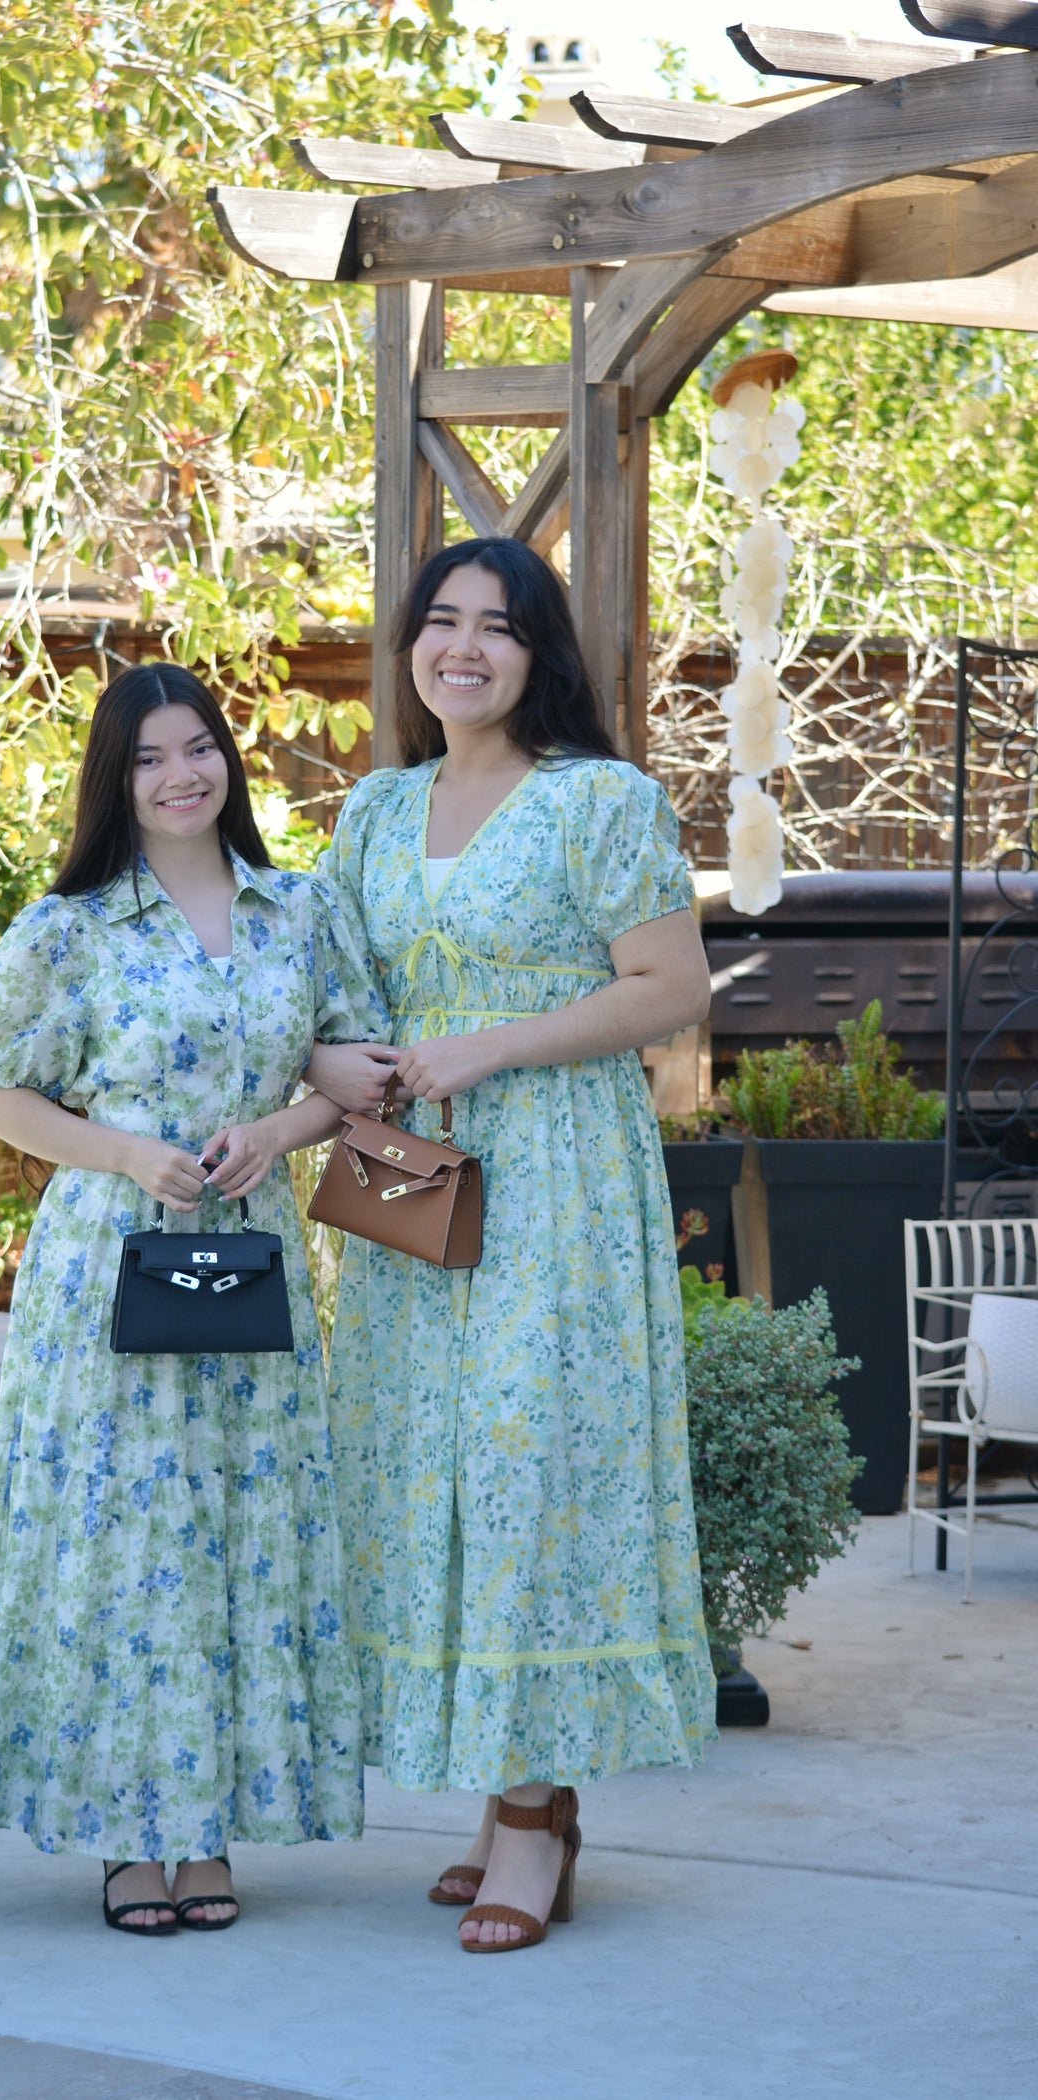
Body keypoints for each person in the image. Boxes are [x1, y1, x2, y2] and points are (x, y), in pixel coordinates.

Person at [306, 537, 717, 1953]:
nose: (463, 648)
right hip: (411, 1180)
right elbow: (331, 989)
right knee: (429, 1474)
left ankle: (538, 1813)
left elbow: (669, 987)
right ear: (411, 648)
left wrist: (491, 1046)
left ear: (540, 656)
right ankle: (499, 1795)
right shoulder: (373, 807)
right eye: (441, 623)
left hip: (557, 1181)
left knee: (534, 1469)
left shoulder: (602, 801)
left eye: (498, 627)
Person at [0, 661, 387, 1937]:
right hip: (110, 1255)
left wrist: (275, 1130)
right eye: (148, 758)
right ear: (114, 781)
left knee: (240, 1532)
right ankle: (129, 1833)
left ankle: (210, 1829)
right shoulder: (68, 928)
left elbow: (351, 1074)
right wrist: (132, 1153)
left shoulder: (299, 912)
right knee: (125, 1541)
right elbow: (2, 1097)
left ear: (226, 761)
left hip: (252, 1256)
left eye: (198, 748)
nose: (180, 775)